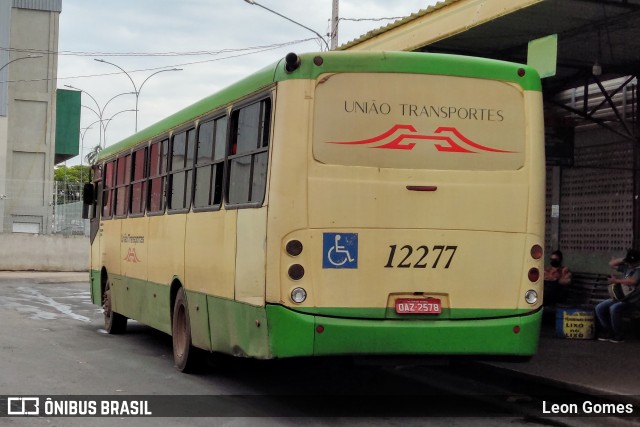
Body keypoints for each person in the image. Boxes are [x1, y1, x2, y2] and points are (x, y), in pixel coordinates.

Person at [595, 249, 640, 343]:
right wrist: (624, 259)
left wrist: (617, 281)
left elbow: (633, 281)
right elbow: (611, 264)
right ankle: (609, 331)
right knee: (599, 307)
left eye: (632, 262)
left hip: (632, 302)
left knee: (614, 308)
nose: (631, 264)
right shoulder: (627, 267)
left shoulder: (638, 269)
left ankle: (619, 334)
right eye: (629, 262)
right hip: (621, 298)